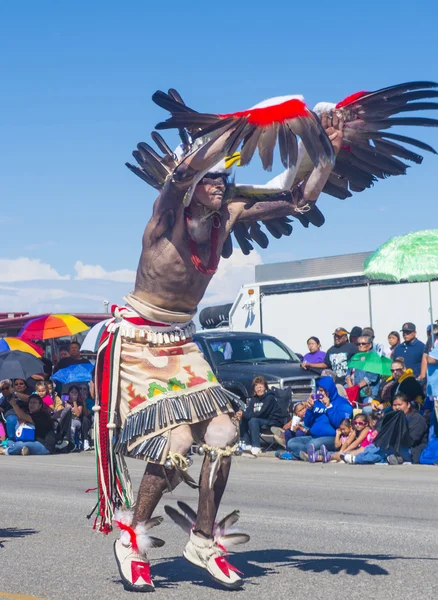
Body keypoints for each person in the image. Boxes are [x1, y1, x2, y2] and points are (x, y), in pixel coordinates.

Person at [92, 92, 346, 591]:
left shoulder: (226, 217)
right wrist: (242, 129)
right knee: (176, 442)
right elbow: (181, 175)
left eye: (222, 180)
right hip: (139, 342)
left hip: (183, 341)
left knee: (224, 435)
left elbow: (299, 200)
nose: (217, 185)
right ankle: (131, 536)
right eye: (209, 178)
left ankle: (203, 541)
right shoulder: (165, 216)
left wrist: (326, 154)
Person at [277, 376, 353, 460]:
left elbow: (340, 423)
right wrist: (309, 409)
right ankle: (313, 454)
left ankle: (295, 455)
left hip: (332, 437)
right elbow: (308, 423)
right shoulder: (317, 403)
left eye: (322, 391)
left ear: (329, 390)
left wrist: (329, 407)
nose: (320, 393)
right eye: (319, 390)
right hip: (313, 436)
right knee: (291, 443)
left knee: (311, 444)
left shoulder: (342, 403)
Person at [343, 393, 428, 464]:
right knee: (376, 445)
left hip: (412, 451)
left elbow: (412, 441)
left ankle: (357, 459)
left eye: (400, 404)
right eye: (395, 405)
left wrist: (392, 437)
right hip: (397, 447)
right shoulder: (394, 417)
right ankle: (351, 456)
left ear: (408, 405)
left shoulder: (416, 418)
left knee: (386, 447)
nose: (397, 408)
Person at [236, 376, 283, 455]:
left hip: (272, 420)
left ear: (265, 387)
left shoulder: (269, 397)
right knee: (244, 418)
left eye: (260, 387)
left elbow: (262, 413)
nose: (259, 389)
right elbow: (249, 411)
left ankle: (256, 446)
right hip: (260, 419)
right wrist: (242, 413)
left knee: (253, 420)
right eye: (256, 387)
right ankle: (247, 444)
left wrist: (246, 414)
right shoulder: (254, 398)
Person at [345, 335, 381, 410]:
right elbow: (348, 372)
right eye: (358, 344)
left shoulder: (374, 358)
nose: (360, 345)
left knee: (367, 411)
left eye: (363, 343)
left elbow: (371, 377)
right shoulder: (355, 357)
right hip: (353, 391)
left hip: (367, 392)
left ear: (370, 345)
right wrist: (349, 384)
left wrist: (356, 387)